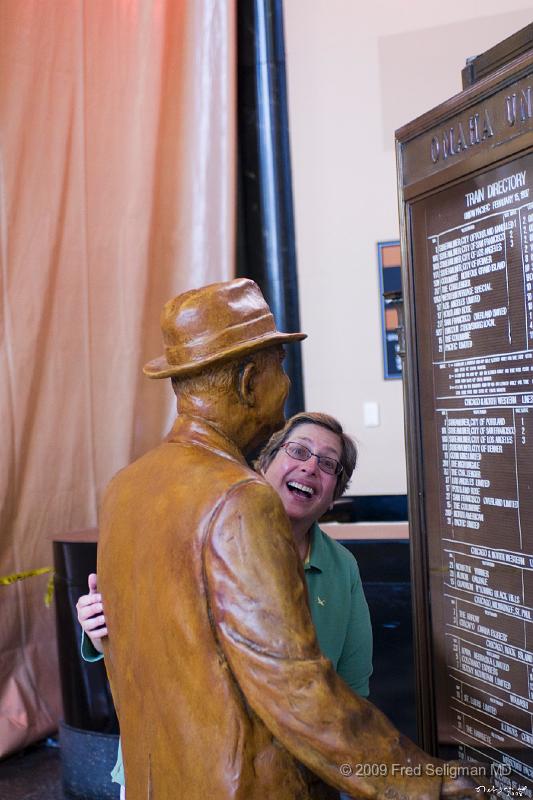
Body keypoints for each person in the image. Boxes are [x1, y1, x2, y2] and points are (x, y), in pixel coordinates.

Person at [91, 278, 478, 799]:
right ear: (251, 380)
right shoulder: (240, 500)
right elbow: (294, 687)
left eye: (328, 465)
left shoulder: (125, 487)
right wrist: (428, 783)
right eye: (280, 369)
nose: (284, 388)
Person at [78, 411, 372, 797]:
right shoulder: (193, 537)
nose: (310, 466)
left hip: (293, 778)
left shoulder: (342, 568)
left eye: (328, 463)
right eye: (298, 450)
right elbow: (149, 653)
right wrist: (100, 630)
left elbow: (351, 688)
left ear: (334, 496)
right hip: (178, 767)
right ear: (262, 467)